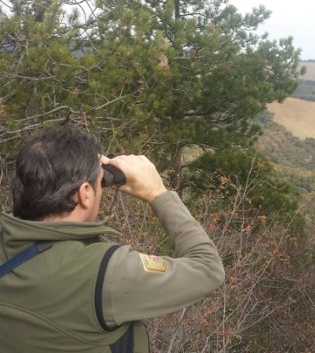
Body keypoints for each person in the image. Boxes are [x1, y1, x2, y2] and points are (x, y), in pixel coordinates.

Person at [0, 125, 225, 352]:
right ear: (84, 193)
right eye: (100, 183)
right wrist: (158, 193)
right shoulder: (105, 273)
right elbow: (208, 268)